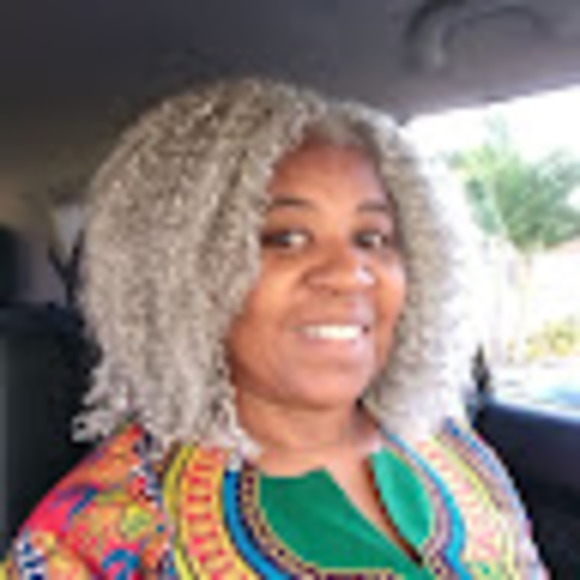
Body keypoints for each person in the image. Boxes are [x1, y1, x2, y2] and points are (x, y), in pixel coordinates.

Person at [1, 78, 546, 578]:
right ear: (184, 274)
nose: (351, 273)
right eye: (285, 238)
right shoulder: (96, 536)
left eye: (372, 238)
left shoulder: (452, 446)